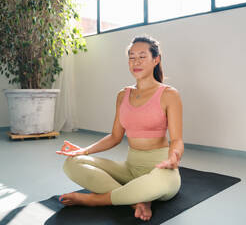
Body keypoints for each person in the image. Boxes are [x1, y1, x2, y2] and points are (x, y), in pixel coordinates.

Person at [59, 35, 184, 221]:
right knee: (72, 163)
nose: (136, 62)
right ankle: (137, 200)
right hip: (130, 169)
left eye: (142, 56)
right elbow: (115, 136)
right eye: (131, 57)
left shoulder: (169, 94)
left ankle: (96, 200)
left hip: (160, 169)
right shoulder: (122, 95)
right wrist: (84, 151)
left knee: (159, 183)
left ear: (156, 60)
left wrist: (174, 157)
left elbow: (176, 140)